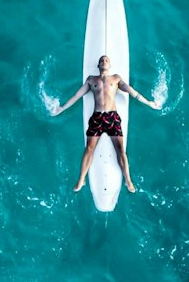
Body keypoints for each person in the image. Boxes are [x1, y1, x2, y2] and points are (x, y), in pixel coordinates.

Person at [52, 55, 161, 193]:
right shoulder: (91, 80)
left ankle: (128, 180)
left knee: (120, 149)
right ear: (98, 66)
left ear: (109, 65)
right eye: (101, 61)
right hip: (97, 118)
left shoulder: (116, 79)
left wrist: (149, 102)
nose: (104, 62)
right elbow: (77, 96)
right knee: (89, 149)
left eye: (106, 60)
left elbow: (132, 92)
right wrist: (62, 108)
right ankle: (81, 180)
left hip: (112, 118)